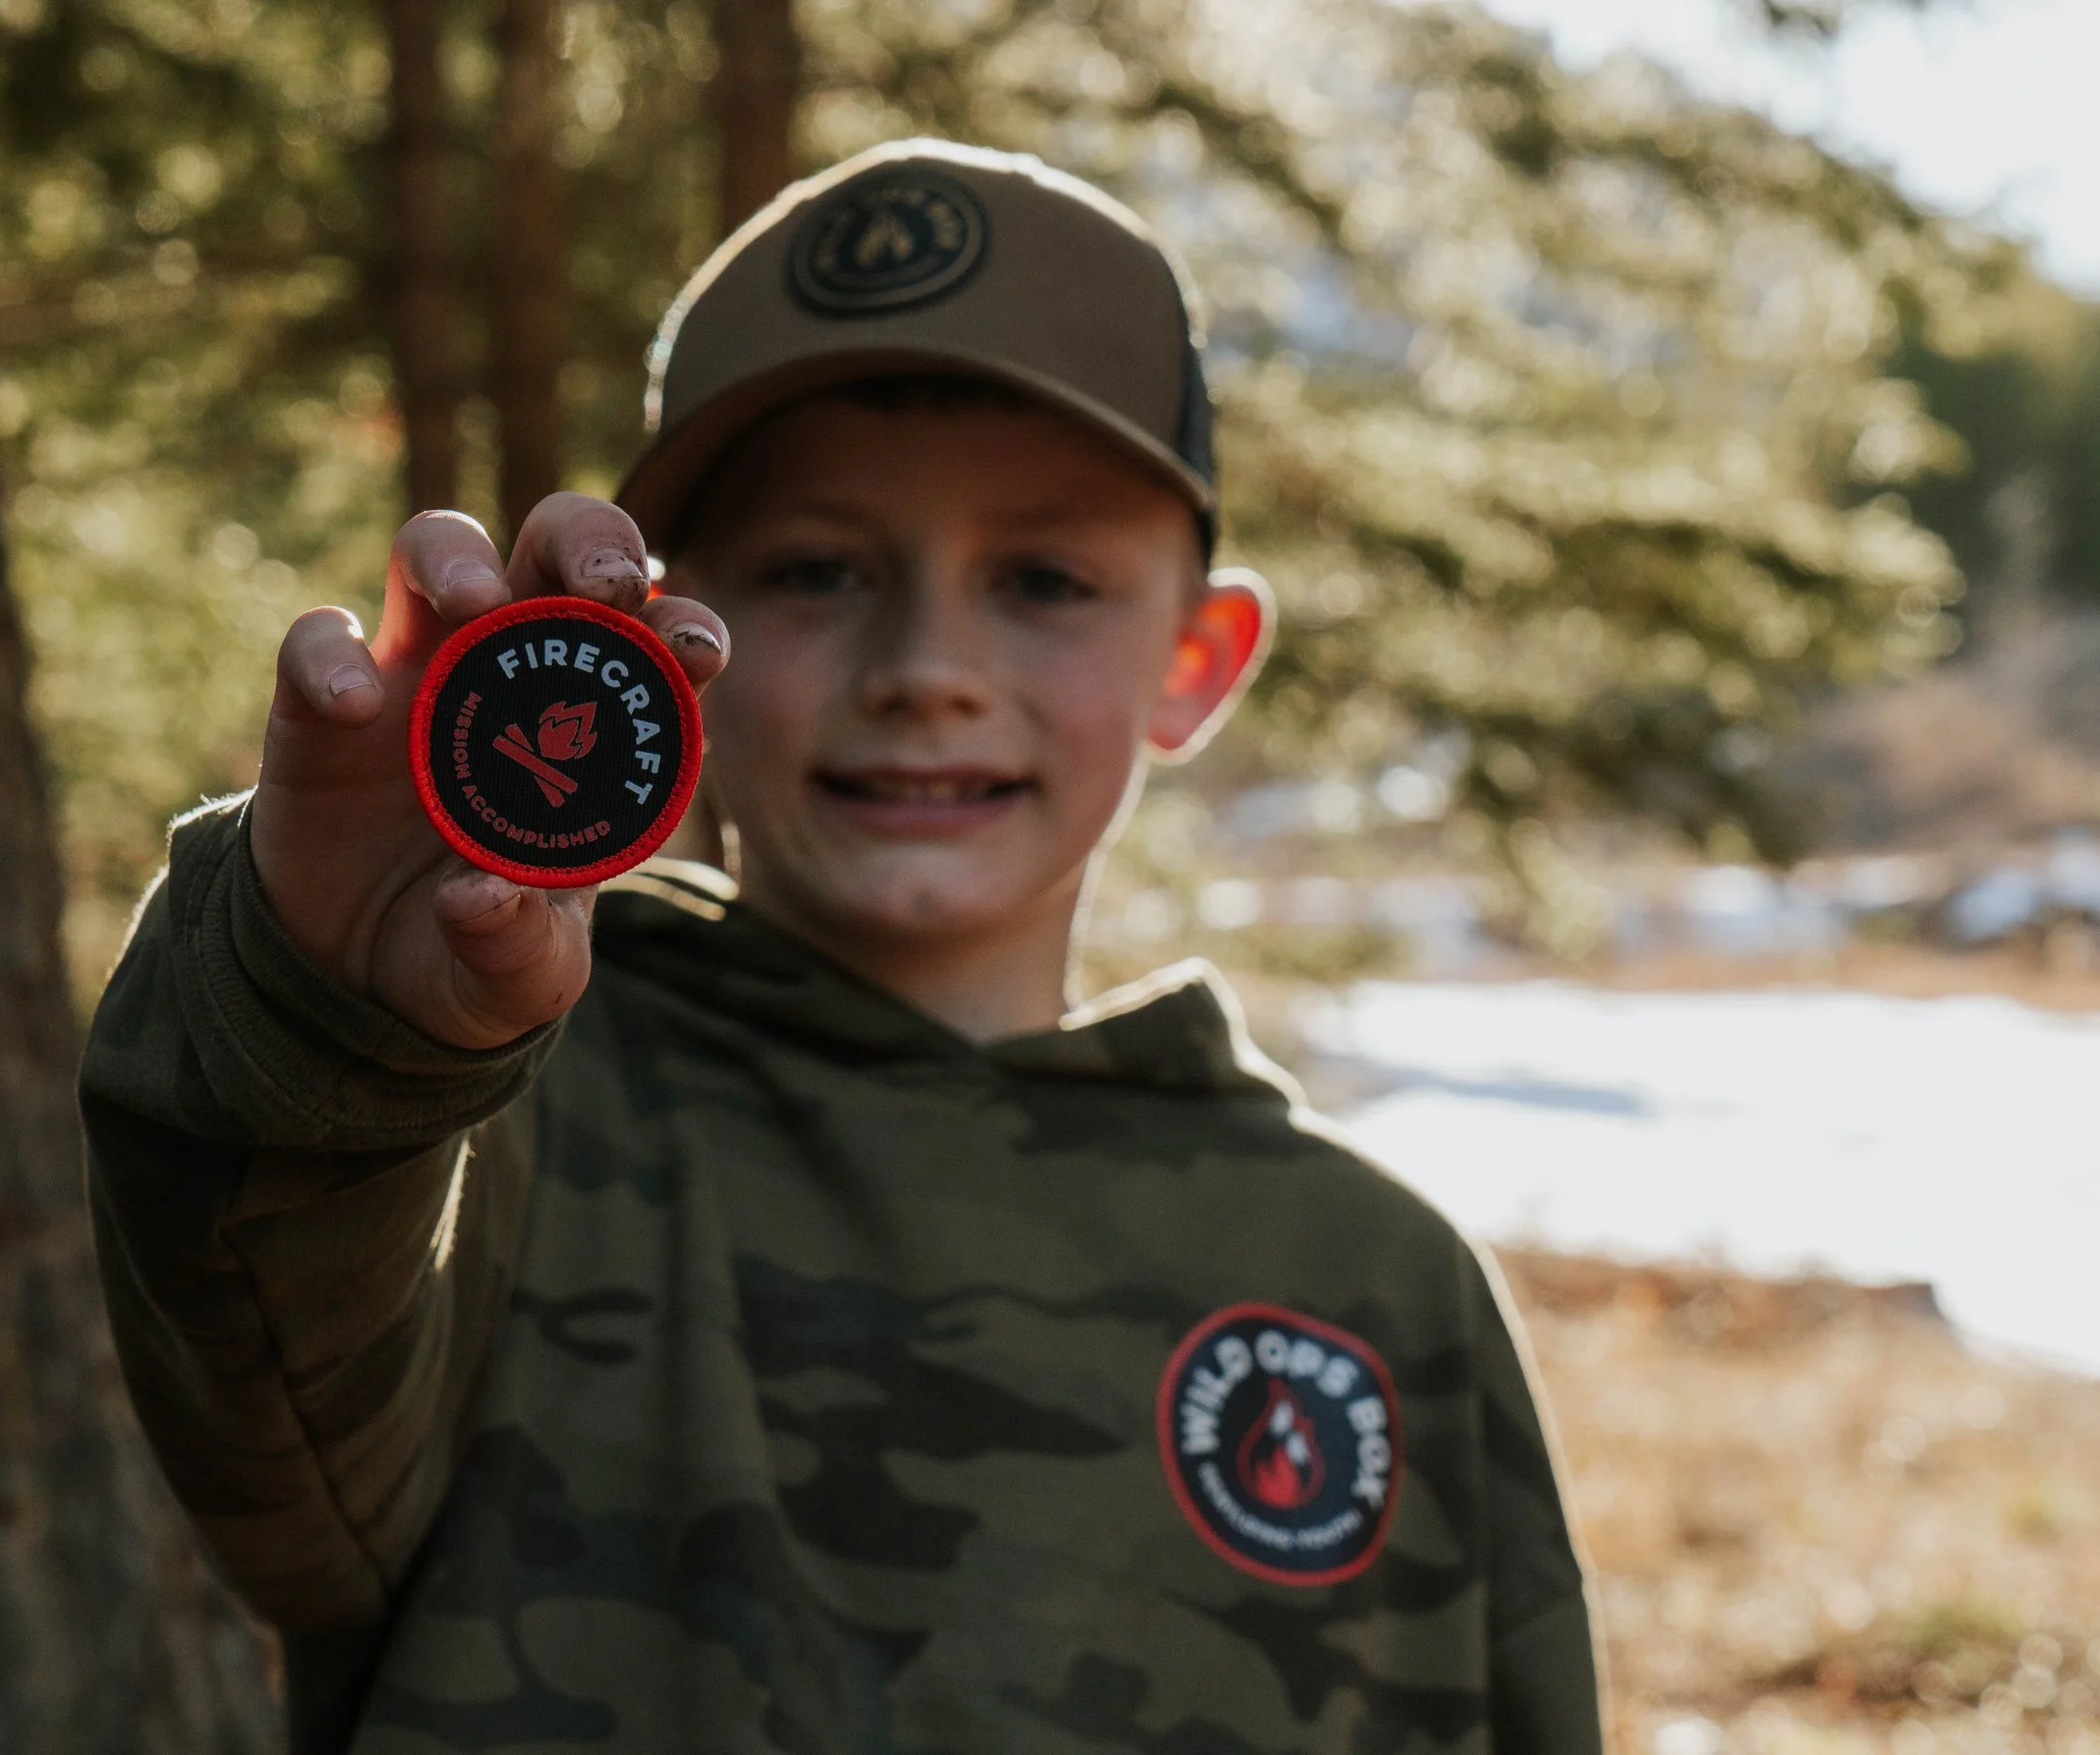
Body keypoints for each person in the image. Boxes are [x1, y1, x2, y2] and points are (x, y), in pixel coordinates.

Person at [82, 139, 1605, 1755]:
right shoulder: (493, 1137)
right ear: (669, 639)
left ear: (1197, 657)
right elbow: (263, 1431)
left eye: (1043, 578)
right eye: (817, 572)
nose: (926, 665)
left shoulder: (1376, 1286)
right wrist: (325, 1010)